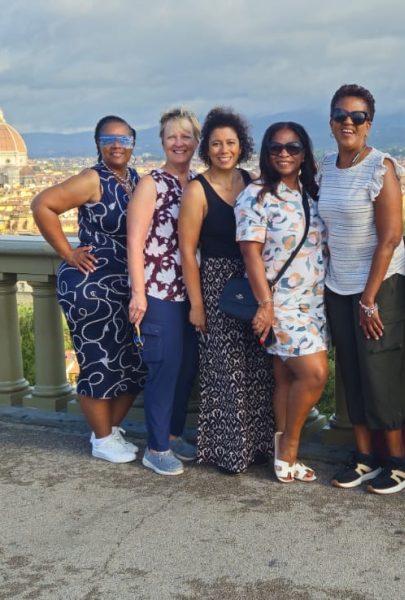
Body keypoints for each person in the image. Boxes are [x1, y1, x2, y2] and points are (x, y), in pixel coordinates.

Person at [318, 84, 405, 495]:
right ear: (330, 122)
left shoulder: (381, 167)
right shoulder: (325, 165)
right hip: (337, 284)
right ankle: (363, 456)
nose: (348, 122)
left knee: (378, 371)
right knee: (351, 372)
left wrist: (370, 297)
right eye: (341, 115)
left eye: (357, 116)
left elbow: (391, 236)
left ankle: (398, 461)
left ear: (368, 124)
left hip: (379, 286)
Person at [31, 115, 144, 463]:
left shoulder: (133, 179)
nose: (117, 145)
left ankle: (108, 431)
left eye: (124, 139)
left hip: (122, 285)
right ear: (97, 143)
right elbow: (42, 205)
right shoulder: (92, 178)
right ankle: (102, 437)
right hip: (91, 285)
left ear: (133, 145)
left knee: (133, 364)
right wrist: (68, 252)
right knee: (98, 361)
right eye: (109, 138)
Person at [179, 107, 274, 474]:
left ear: (241, 146)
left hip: (252, 279)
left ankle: (259, 447)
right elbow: (187, 251)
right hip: (217, 284)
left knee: (257, 365)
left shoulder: (252, 181)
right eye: (216, 143)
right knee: (224, 370)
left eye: (230, 142)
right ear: (207, 148)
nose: (224, 149)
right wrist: (196, 304)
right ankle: (229, 452)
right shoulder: (197, 190)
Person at [235, 121, 328, 483]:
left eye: (293, 148)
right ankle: (289, 447)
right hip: (280, 302)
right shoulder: (256, 195)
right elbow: (250, 254)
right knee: (315, 373)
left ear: (304, 153)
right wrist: (265, 304)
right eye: (276, 148)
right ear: (266, 153)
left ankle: (282, 455)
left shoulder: (310, 192)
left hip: (314, 301)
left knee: (288, 378)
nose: (285, 154)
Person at [127, 108, 200, 476]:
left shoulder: (198, 184)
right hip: (158, 292)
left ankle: (171, 436)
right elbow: (135, 241)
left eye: (186, 136)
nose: (179, 142)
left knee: (185, 369)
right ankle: (155, 448)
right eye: (172, 136)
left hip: (191, 293)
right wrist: (138, 294)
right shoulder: (151, 184)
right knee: (164, 368)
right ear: (162, 142)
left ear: (196, 141)